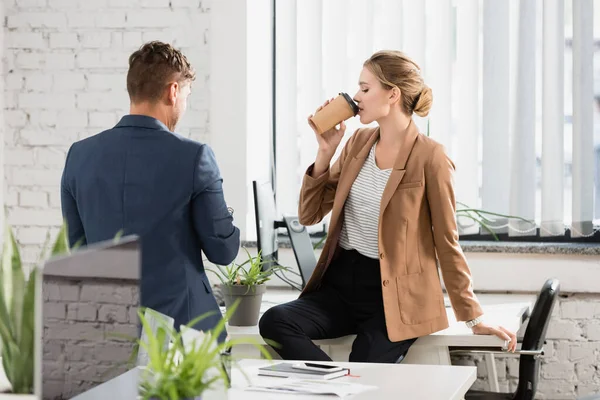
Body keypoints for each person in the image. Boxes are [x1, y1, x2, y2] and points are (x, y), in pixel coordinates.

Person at [259, 50, 517, 363]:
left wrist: (474, 318)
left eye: (365, 89)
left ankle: (349, 386)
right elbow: (309, 215)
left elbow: (447, 242)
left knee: (366, 365)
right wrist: (325, 152)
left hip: (395, 298)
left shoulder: (431, 157)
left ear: (392, 94)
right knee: (274, 322)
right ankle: (339, 386)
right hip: (340, 288)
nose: (356, 97)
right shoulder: (357, 143)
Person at [60, 41, 239, 341]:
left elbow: (79, 253)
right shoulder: (195, 157)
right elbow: (223, 251)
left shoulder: (79, 156)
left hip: (108, 335)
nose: (183, 105)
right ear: (172, 91)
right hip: (187, 336)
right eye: (186, 95)